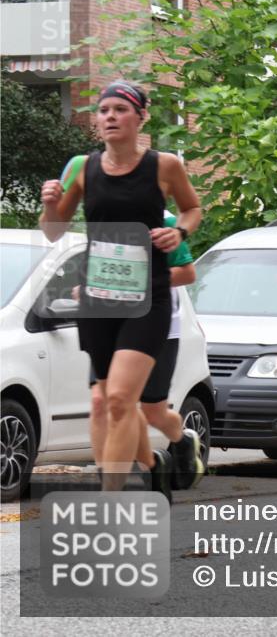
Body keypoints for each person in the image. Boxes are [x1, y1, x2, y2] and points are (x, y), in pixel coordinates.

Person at [40, 81, 202, 500]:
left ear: (140, 117)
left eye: (120, 110)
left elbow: (193, 206)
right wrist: (49, 203)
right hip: (98, 297)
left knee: (118, 399)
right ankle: (150, 468)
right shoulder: (82, 167)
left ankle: (111, 502)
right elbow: (55, 232)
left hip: (147, 297)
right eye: (103, 110)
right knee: (104, 403)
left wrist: (178, 230)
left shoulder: (163, 165)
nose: (109, 117)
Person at [86, 210, 205, 494]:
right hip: (108, 323)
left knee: (152, 412)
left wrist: (135, 281)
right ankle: (142, 472)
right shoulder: (100, 215)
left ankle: (181, 440)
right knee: (104, 402)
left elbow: (188, 273)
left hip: (157, 326)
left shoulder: (163, 220)